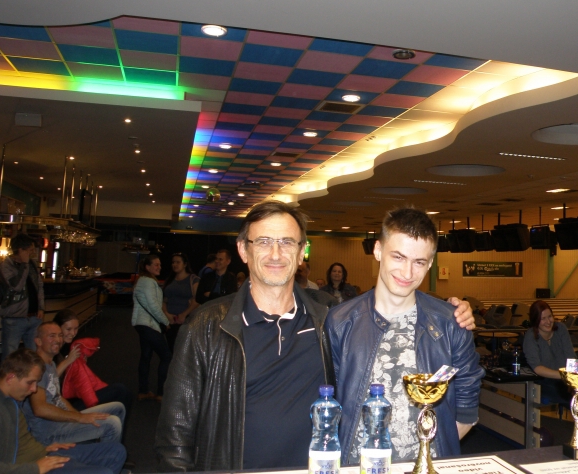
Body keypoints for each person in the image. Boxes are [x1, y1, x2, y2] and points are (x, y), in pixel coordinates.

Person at [156, 200, 476, 472]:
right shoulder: (208, 326)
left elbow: (465, 394)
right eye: (264, 241)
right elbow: (175, 433)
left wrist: (456, 311)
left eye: (287, 243)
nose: (276, 254)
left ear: (301, 253)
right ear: (243, 249)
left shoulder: (324, 317)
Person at [327, 207, 484, 465]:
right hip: (357, 465)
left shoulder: (450, 322)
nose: (408, 273)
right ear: (378, 251)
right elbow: (328, 398)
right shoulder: (340, 322)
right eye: (398, 257)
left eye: (419, 262)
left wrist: (429, 454)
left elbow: (467, 398)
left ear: (430, 263)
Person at [0, 347, 127, 474]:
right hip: (27, 468)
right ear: (10, 378)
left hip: (43, 454)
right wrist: (35, 468)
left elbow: (20, 439)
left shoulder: (11, 398)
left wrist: (43, 448)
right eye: (30, 383)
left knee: (116, 451)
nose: (33, 389)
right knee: (103, 472)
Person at [23, 322, 126, 446]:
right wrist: (79, 418)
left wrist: (77, 415)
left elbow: (57, 397)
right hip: (50, 433)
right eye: (52, 336)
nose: (58, 340)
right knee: (112, 424)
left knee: (118, 408)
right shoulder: (37, 368)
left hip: (62, 422)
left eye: (60, 335)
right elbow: (40, 409)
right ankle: (105, 456)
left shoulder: (51, 364)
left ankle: (105, 449)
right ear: (38, 341)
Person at [522, 300, 578, 443]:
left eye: (550, 316)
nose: (548, 321)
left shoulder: (560, 329)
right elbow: (537, 368)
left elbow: (571, 357)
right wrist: (565, 377)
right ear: (535, 320)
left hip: (566, 379)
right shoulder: (530, 337)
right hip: (544, 383)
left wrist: (575, 380)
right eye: (543, 318)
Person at [53, 310, 134, 416]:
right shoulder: (51, 350)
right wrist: (68, 361)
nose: (72, 333)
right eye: (68, 329)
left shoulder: (69, 347)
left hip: (77, 396)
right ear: (58, 328)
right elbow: (48, 380)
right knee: (120, 391)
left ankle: (113, 425)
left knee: (121, 393)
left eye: (76, 328)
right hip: (65, 404)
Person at [0, 234, 44, 358]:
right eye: (30, 250)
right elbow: (17, 286)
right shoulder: (6, 266)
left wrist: (41, 307)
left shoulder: (32, 264)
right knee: (10, 354)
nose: (33, 253)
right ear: (21, 250)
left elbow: (39, 286)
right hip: (14, 318)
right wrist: (24, 264)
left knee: (34, 355)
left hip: (34, 317)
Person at [132, 255, 171, 401]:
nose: (159, 267)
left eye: (159, 264)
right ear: (147, 267)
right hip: (148, 324)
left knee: (146, 356)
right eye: (156, 264)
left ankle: (143, 391)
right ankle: (161, 393)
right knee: (166, 356)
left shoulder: (143, 281)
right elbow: (153, 306)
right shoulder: (148, 282)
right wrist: (165, 321)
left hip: (143, 324)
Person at [161, 253, 200, 351]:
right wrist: (166, 314)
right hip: (170, 321)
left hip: (186, 321)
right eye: (173, 262)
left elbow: (197, 300)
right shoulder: (170, 280)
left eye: (178, 262)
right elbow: (164, 300)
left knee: (183, 350)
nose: (175, 265)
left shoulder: (193, 279)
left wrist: (183, 315)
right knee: (171, 349)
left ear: (185, 264)